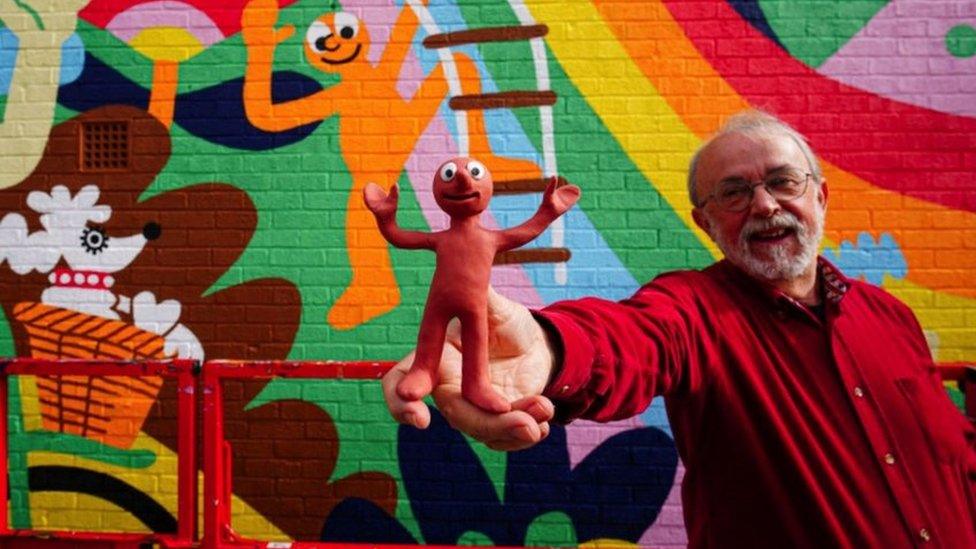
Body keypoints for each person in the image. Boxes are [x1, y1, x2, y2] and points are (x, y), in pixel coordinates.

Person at [382, 110, 976, 547]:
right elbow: (631, 340)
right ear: (706, 222)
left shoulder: (891, 318)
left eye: (783, 182)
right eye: (735, 193)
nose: (765, 205)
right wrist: (546, 348)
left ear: (820, 196)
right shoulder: (693, 308)